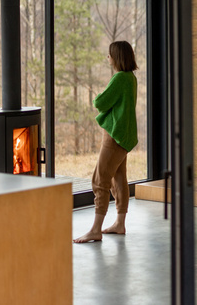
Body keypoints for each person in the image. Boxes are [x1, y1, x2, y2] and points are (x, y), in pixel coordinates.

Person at [74, 40, 139, 243]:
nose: (107, 58)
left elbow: (100, 103)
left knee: (99, 181)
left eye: (109, 54)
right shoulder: (131, 78)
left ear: (117, 57)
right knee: (119, 179)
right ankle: (120, 223)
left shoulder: (119, 78)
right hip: (125, 136)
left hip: (114, 136)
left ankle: (95, 229)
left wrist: (98, 96)